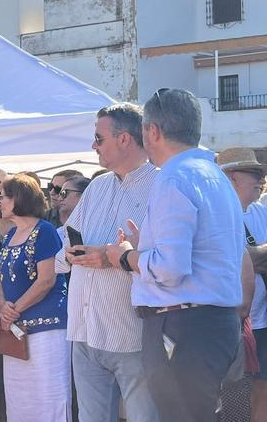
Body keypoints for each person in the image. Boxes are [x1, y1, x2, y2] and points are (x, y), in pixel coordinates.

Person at [104, 88, 244, 422]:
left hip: (182, 325)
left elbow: (170, 268)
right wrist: (146, 246)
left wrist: (126, 256)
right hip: (210, 321)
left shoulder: (174, 178)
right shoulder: (214, 175)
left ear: (152, 131)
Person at [57, 103, 160, 422]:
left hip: (131, 331)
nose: (93, 146)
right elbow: (64, 245)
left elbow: (167, 261)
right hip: (85, 329)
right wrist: (75, 253)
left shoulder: (162, 186)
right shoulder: (97, 186)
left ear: (125, 139)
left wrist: (114, 257)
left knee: (144, 417)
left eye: (99, 139)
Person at [0, 174, 69, 421]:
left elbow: (46, 280)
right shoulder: (9, 235)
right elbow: (0, 277)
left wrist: (13, 309)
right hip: (16, 330)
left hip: (46, 329)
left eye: (2, 196)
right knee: (19, 397)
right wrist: (2, 306)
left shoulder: (45, 231)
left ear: (19, 198)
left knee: (49, 396)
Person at [218, 147, 267, 420]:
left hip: (261, 324)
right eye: (253, 173)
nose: (261, 179)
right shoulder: (212, 216)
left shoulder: (260, 212)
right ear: (232, 178)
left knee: (262, 392)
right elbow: (233, 261)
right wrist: (253, 257)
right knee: (230, 396)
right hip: (227, 324)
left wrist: (250, 257)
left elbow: (241, 260)